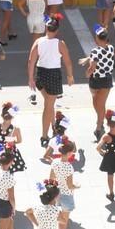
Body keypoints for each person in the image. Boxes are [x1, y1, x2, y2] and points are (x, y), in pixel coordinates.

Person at [27, 14, 74, 147]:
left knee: (49, 103)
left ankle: (53, 126)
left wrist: (31, 78)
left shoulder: (38, 42)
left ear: (46, 28)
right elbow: (68, 62)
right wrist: (70, 76)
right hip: (53, 75)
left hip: (40, 74)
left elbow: (31, 61)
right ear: (57, 30)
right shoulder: (60, 44)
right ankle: (44, 135)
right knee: (48, 106)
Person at [81, 25, 115, 138]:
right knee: (100, 104)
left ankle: (99, 127)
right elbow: (99, 56)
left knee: (97, 103)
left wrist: (87, 73)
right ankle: (100, 122)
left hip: (96, 80)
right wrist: (88, 59)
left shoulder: (95, 51)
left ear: (97, 38)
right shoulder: (110, 47)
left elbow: (93, 66)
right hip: (107, 80)